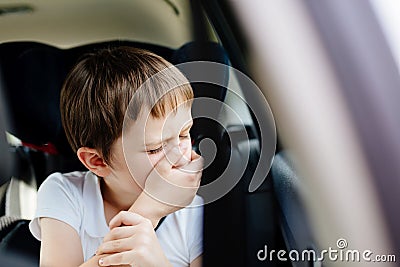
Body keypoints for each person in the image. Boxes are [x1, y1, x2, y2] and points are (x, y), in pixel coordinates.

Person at [29, 47, 204, 267]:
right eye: (155, 148)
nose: (180, 154)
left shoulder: (194, 214)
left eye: (183, 134)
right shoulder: (65, 193)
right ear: (97, 161)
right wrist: (148, 211)